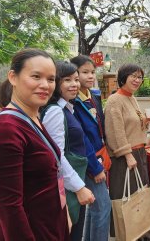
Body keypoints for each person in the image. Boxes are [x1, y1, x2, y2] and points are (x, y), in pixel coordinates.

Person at [0, 48, 70, 240]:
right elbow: (9, 208)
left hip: (51, 225)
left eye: (51, 79)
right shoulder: (4, 130)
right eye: (36, 76)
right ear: (13, 77)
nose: (45, 85)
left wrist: (64, 214)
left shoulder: (32, 118)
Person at [41, 61, 98, 240]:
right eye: (67, 80)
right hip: (68, 185)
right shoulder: (56, 111)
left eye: (75, 79)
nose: (74, 84)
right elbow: (56, 155)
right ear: (56, 83)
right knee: (72, 230)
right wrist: (79, 187)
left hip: (72, 180)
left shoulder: (67, 107)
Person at [104, 64, 150, 237]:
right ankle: (124, 234)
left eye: (140, 77)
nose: (137, 80)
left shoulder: (131, 97)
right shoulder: (115, 100)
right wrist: (127, 155)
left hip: (138, 153)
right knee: (125, 199)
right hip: (125, 156)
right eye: (133, 76)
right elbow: (115, 132)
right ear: (123, 77)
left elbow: (131, 125)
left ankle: (137, 232)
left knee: (138, 197)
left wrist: (145, 121)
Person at [70, 55, 111, 241]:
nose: (90, 76)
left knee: (94, 207)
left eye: (93, 72)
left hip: (100, 155)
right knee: (103, 207)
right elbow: (81, 139)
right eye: (84, 72)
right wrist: (95, 167)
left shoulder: (94, 96)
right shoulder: (72, 101)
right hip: (88, 160)